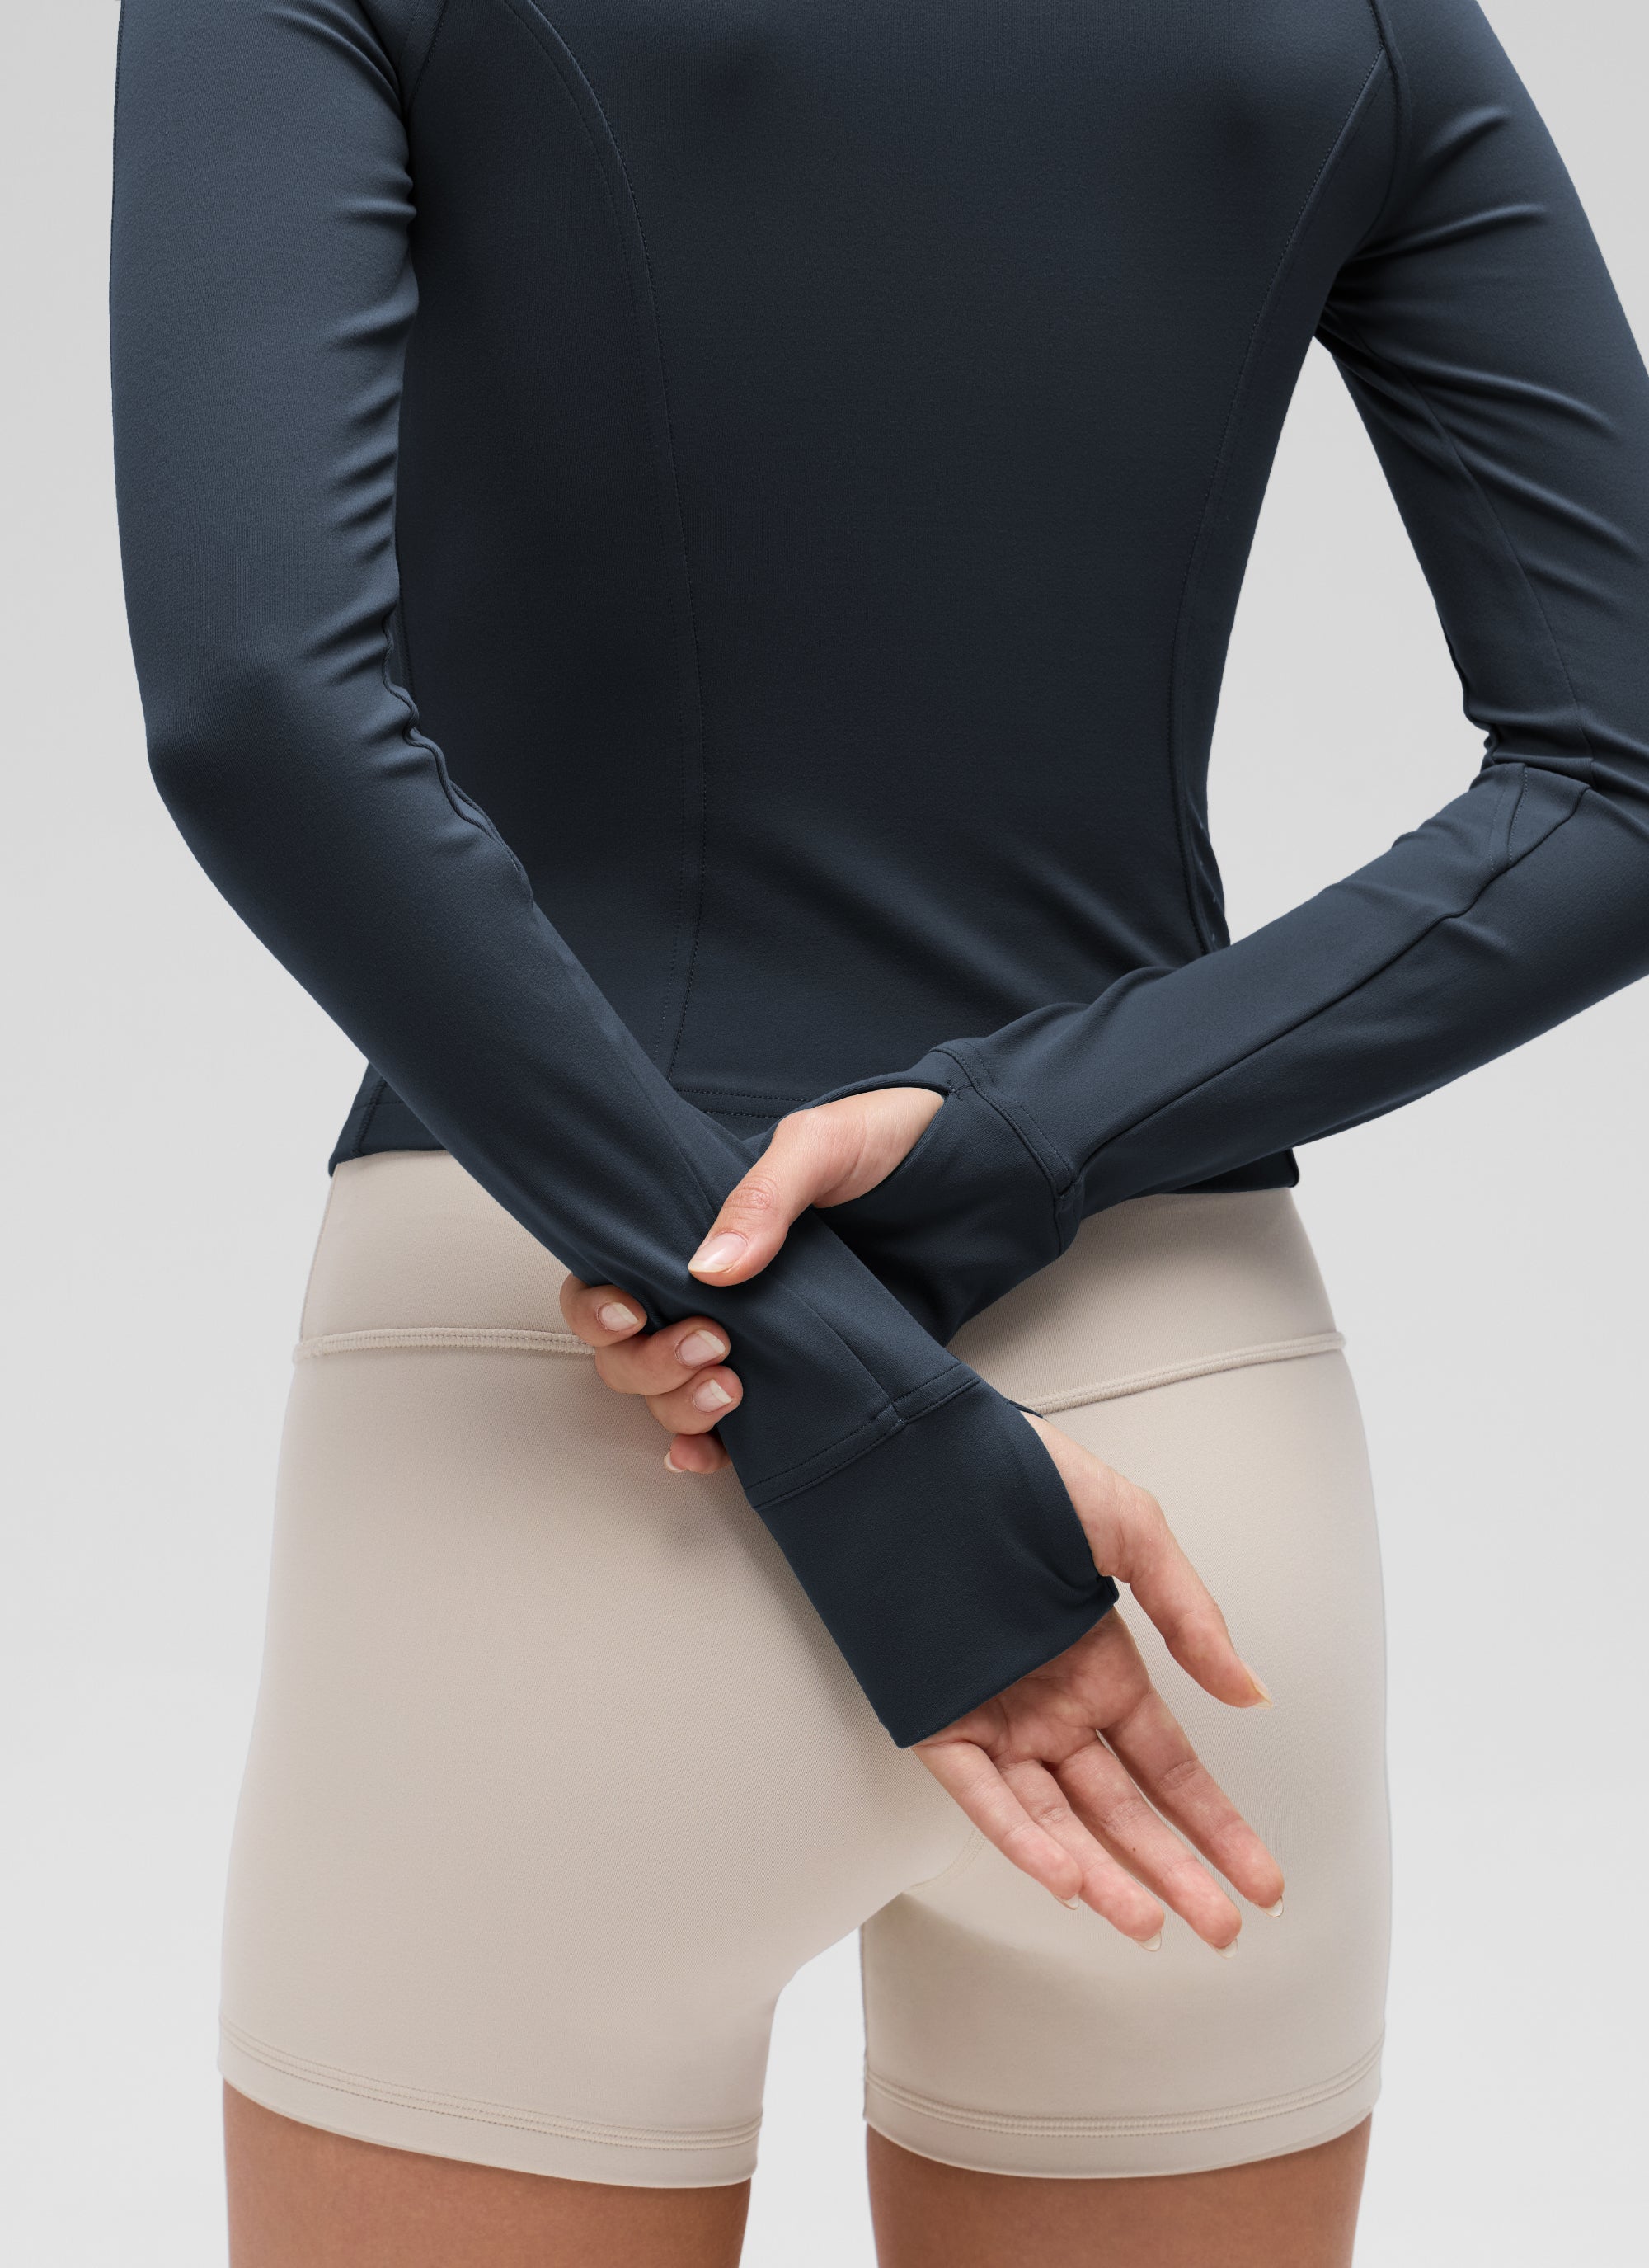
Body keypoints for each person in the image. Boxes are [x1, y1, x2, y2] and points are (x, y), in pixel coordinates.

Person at [108, 0, 1649, 2260]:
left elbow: (265, 706)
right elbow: (1623, 779)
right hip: (1176, 1481)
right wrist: (1013, 1139)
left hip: (551, 1430)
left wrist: (825, 1385)